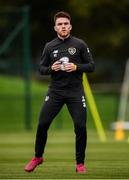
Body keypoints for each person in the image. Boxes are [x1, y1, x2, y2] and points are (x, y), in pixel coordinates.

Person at [24, 11, 95, 173]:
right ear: (55, 28)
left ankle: (80, 164)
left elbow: (91, 66)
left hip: (75, 92)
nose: (63, 26)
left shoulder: (79, 44)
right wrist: (51, 68)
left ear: (70, 26)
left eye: (65, 24)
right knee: (42, 124)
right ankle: (37, 157)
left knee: (80, 126)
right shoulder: (49, 46)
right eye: (60, 24)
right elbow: (41, 69)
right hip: (55, 92)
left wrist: (77, 67)